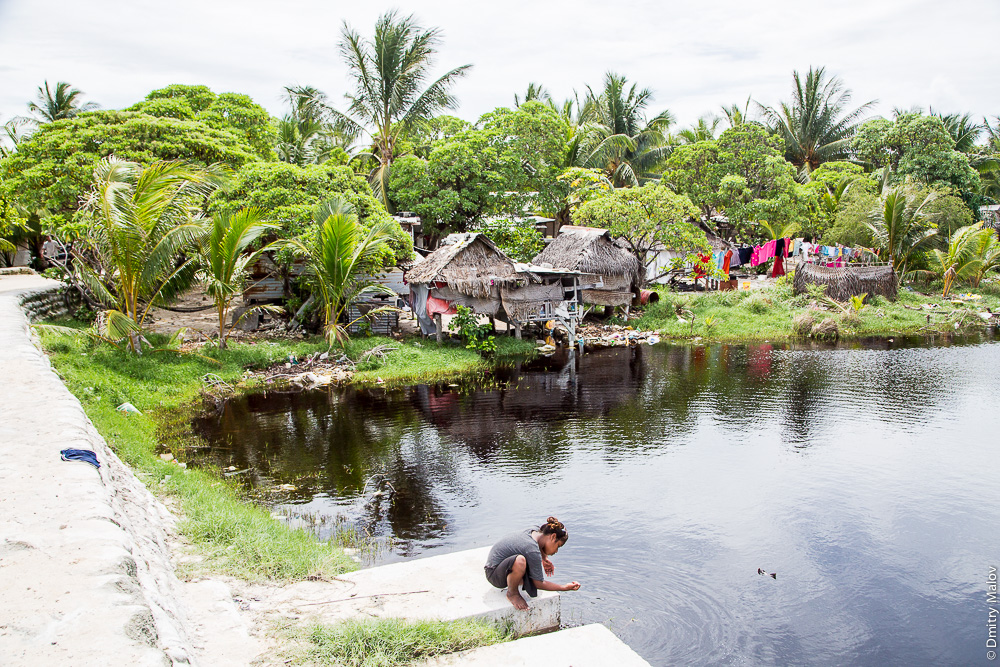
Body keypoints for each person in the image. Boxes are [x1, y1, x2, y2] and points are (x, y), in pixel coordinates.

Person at [483, 516, 581, 610]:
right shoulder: (532, 549)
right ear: (553, 536)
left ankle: (514, 581)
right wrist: (565, 587)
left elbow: (538, 544)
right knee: (520, 561)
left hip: (500, 566)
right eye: (558, 546)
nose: (556, 551)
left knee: (524, 562)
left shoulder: (536, 531)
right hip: (493, 574)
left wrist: (544, 558)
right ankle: (512, 593)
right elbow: (538, 583)